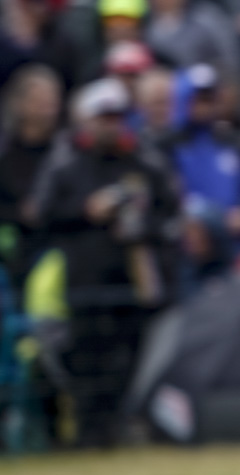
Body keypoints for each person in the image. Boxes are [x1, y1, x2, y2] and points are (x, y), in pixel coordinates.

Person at [32, 78, 177, 446]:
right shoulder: (66, 164)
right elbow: (41, 215)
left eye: (117, 117)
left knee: (129, 361)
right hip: (84, 280)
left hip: (133, 279)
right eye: (104, 117)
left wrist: (140, 225)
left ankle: (122, 430)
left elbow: (171, 212)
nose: (112, 125)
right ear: (87, 120)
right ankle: (87, 435)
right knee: (86, 363)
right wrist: (86, 212)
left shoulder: (143, 160)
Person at [169, 64, 240, 292]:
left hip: (233, 243)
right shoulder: (170, 144)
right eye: (198, 98)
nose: (205, 106)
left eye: (210, 98)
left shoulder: (231, 142)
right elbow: (167, 195)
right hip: (191, 246)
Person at [0, 64, 63, 278]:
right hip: (15, 250)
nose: (49, 110)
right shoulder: (5, 154)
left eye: (53, 103)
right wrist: (19, 213)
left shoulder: (68, 151)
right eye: (41, 103)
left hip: (62, 246)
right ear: (20, 104)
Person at [145, 0, 240, 85]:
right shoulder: (147, 24)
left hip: (207, 89)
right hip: (164, 90)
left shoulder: (207, 19)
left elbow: (232, 60)